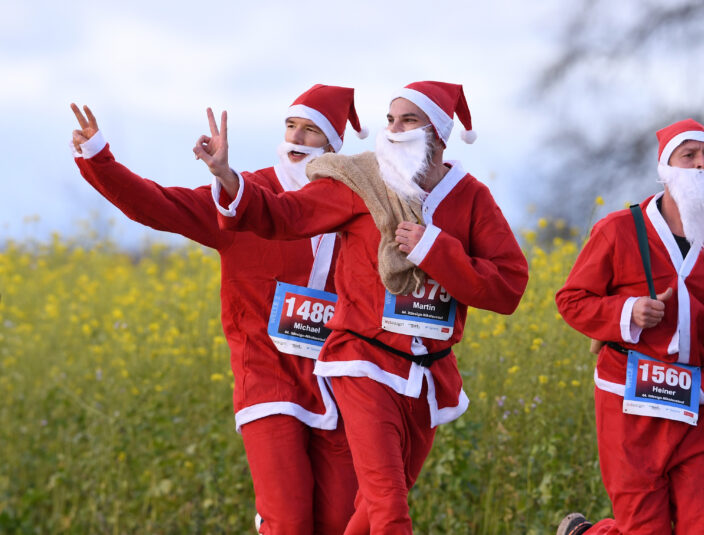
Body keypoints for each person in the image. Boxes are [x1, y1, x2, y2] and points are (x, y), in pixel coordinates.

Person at [206, 81, 529, 534]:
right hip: (362, 365)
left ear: (437, 132)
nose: (394, 130)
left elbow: (508, 288)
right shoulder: (363, 181)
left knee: (360, 519)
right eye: (390, 120)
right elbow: (285, 216)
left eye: (408, 120)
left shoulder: (471, 197)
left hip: (427, 378)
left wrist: (436, 249)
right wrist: (229, 179)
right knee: (388, 510)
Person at [70, 84, 367, 534]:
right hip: (268, 379)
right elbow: (156, 205)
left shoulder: (353, 205)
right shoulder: (240, 197)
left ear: (333, 144)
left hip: (337, 385)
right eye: (291, 125)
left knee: (342, 523)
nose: (296, 138)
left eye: (310, 131)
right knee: (288, 522)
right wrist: (98, 157)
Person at [555, 118, 704, 535]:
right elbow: (572, 300)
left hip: (699, 397)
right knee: (644, 528)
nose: (701, 164)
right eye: (688, 155)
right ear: (666, 168)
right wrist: (628, 311)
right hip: (628, 399)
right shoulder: (618, 230)